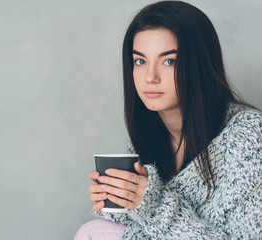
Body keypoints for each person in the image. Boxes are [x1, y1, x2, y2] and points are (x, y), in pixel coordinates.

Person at [74, 1, 261, 239]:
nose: (150, 77)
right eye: (140, 61)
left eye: (169, 61)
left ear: (199, 64)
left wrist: (153, 205)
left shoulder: (249, 136)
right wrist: (122, 199)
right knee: (92, 230)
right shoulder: (149, 136)